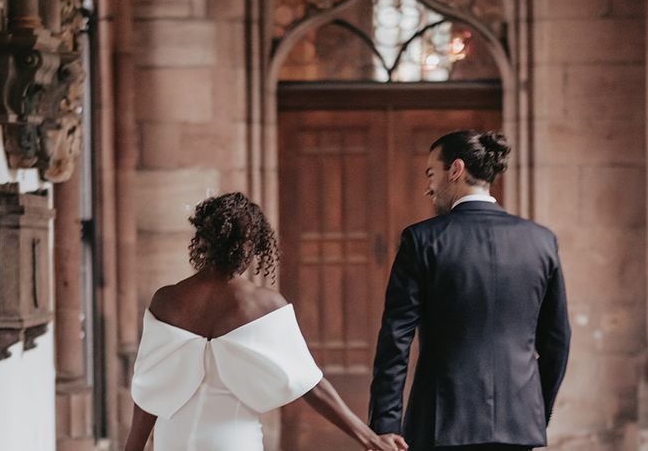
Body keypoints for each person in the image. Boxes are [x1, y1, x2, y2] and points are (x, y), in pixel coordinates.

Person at [125, 191, 404, 451]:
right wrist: (370, 438)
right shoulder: (264, 305)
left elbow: (149, 388)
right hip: (233, 441)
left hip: (173, 441)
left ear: (203, 240)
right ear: (253, 246)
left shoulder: (167, 300)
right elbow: (311, 385)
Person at [369, 130, 571, 451]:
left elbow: (396, 339)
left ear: (456, 170)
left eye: (431, 174)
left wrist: (384, 422)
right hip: (518, 425)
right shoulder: (541, 240)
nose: (427, 187)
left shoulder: (421, 240)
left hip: (441, 423)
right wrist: (533, 412)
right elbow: (557, 340)